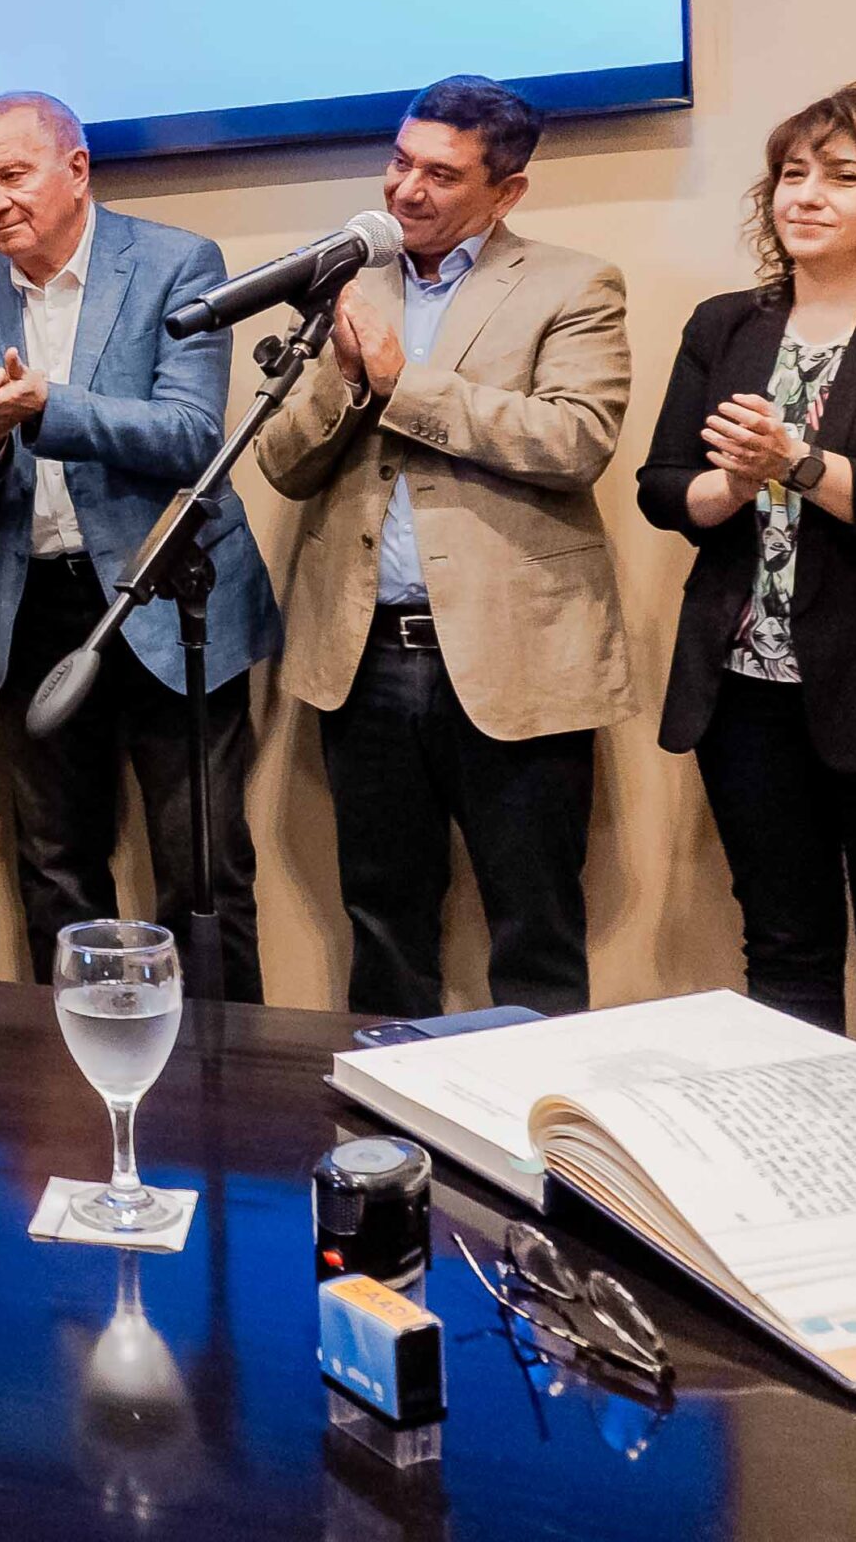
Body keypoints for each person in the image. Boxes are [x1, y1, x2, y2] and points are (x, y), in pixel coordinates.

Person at [256, 76, 634, 1018]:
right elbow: (282, 464)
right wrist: (349, 384)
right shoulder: (347, 282)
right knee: (382, 922)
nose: (405, 188)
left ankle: (539, 1116)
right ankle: (388, 1110)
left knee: (535, 932)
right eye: (399, 161)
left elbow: (576, 439)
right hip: (366, 658)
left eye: (441, 173)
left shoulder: (573, 283)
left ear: (506, 192)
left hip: (515, 659)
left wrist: (401, 384)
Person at [637, 81, 856, 1043]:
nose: (807, 195)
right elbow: (664, 487)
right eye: (793, 174)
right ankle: (796, 1137)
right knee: (783, 952)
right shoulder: (726, 324)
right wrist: (735, 482)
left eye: (843, 177)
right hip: (747, 695)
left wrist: (796, 461)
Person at [0, 91, 282, 995]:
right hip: (34, 608)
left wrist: (47, 407)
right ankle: (79, 1065)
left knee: (201, 871)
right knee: (53, 867)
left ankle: (222, 1070)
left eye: (13, 175)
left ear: (77, 170)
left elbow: (194, 435)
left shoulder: (176, 263)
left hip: (169, 595)